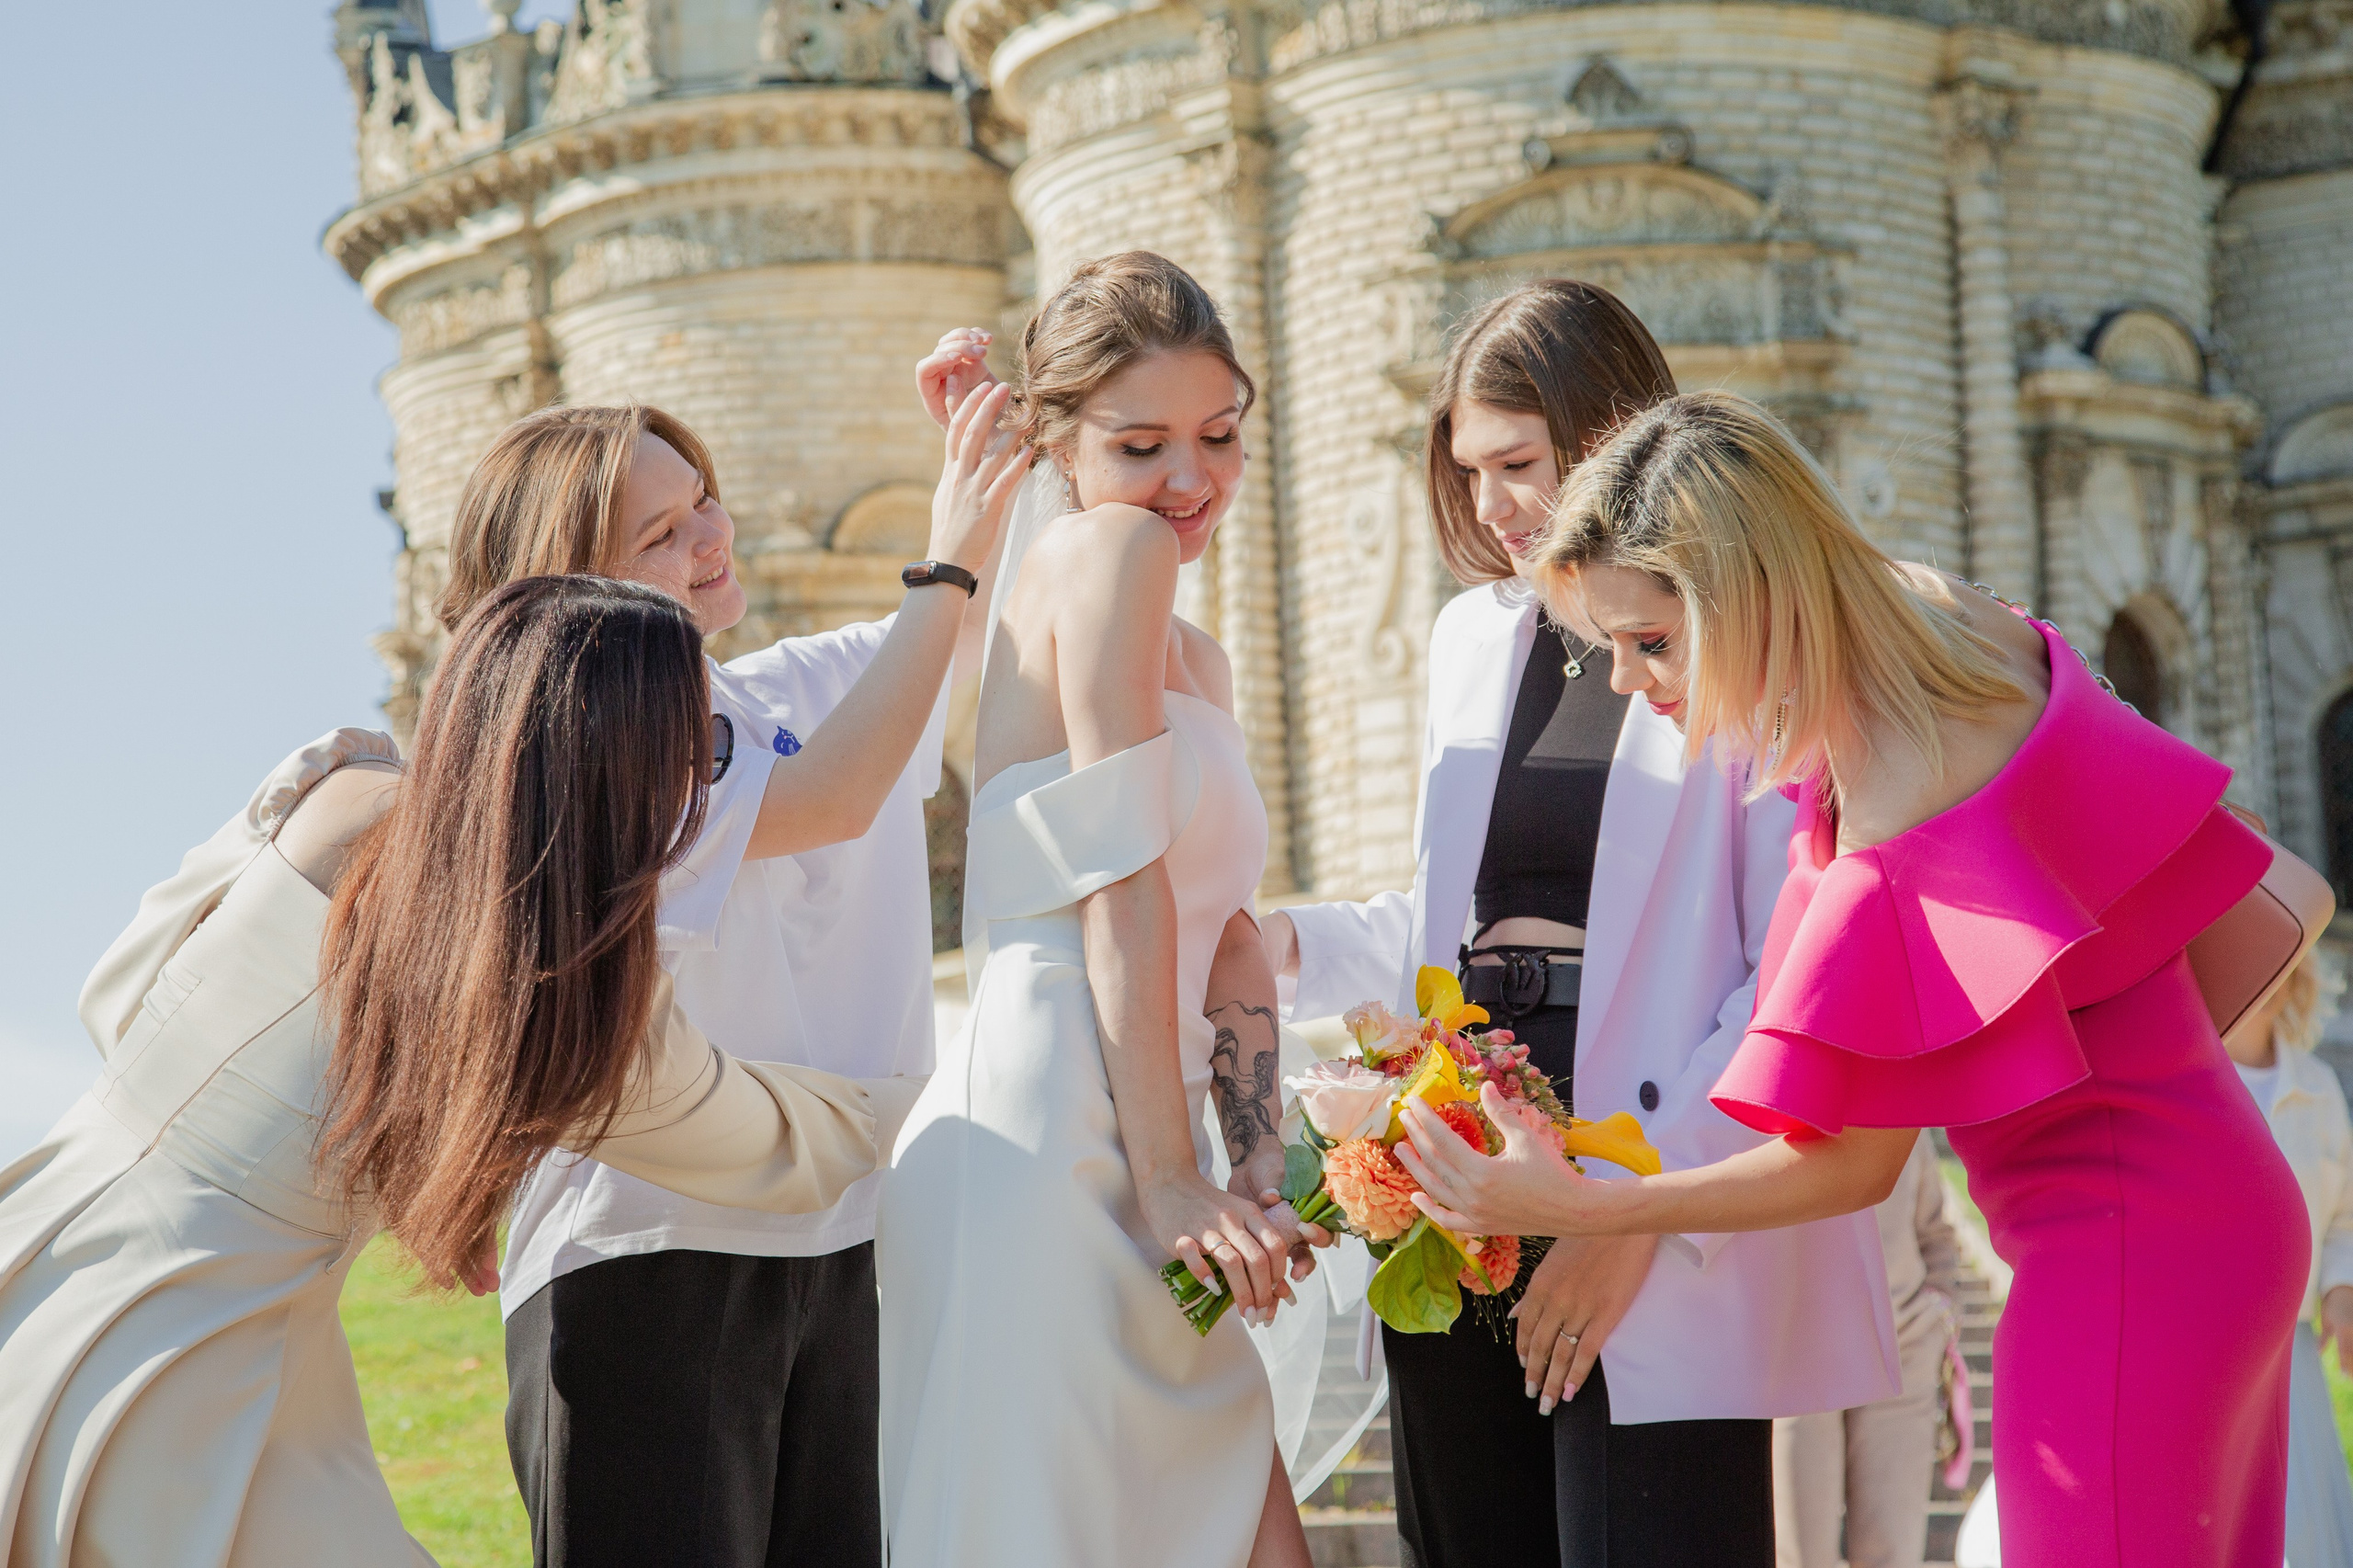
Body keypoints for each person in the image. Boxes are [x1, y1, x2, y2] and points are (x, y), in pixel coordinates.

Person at [1393, 391, 2314, 1566]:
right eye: (1607, 644)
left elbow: (1850, 1161)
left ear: (1751, 593)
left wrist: (1589, 1209)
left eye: (1654, 641)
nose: (1624, 681)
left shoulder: (1887, 787)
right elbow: (2287, 889)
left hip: (2121, 1254)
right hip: (2221, 1206)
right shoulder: (1954, 624)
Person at [0, 576, 922, 1568]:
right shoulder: (542, 967)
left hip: (51, 1226)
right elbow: (770, 1140)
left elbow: (120, 992)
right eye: (703, 747)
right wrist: (953, 1102)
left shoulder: (343, 794)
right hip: (199, 1340)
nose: (709, 777)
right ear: (624, 758)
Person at [1245, 280, 1896, 1567]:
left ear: (1614, 432)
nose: (1490, 505)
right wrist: (1281, 944)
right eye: (1466, 467)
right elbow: (1458, 924)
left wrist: (1628, 1210)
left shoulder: (1737, 633)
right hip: (1451, 1169)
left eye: (1519, 463)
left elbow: (1783, 974)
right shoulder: (1467, 638)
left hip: (1647, 1161)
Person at [445, 395, 1026, 1568]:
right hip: (647, 1253)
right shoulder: (595, 746)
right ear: (573, 585)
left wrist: (980, 443)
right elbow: (837, 796)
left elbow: (958, 638)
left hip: (842, 1240)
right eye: (658, 534)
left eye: (701, 496)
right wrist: (944, 555)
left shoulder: (780, 692)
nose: (709, 536)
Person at [878, 252, 1326, 1568]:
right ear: (1059, 445)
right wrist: (1173, 1170)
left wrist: (1255, 1152)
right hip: (1055, 1142)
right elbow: (1121, 877)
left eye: (1221, 435)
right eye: (1142, 444)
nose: (1189, 481)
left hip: (1144, 1124)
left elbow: (1228, 931)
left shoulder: (1202, 650)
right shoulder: (1108, 552)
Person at [1773, 1132, 1961, 1568]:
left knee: (1891, 1552)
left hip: (1903, 1350)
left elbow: (1936, 1233)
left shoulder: (1907, 1128)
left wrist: (1941, 1312)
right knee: (1800, 1554)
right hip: (1801, 1355)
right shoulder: (1778, 1120)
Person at [2230, 953, 2353, 1566]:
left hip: (2295, 1356)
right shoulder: (2192, 1089)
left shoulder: (2320, 1089)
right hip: (2211, 1356)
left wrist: (2340, 1289)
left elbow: (2345, 1218)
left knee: (2301, 1527)